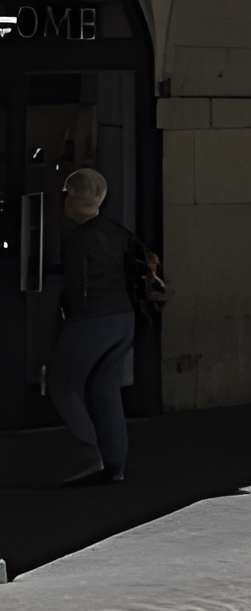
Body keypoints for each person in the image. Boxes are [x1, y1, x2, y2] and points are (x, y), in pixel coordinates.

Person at [49, 167, 138, 484]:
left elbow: (75, 286)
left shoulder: (77, 239)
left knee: (62, 384)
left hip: (91, 319)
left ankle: (90, 453)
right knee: (105, 389)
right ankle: (116, 464)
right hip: (123, 318)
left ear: (73, 197)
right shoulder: (117, 231)